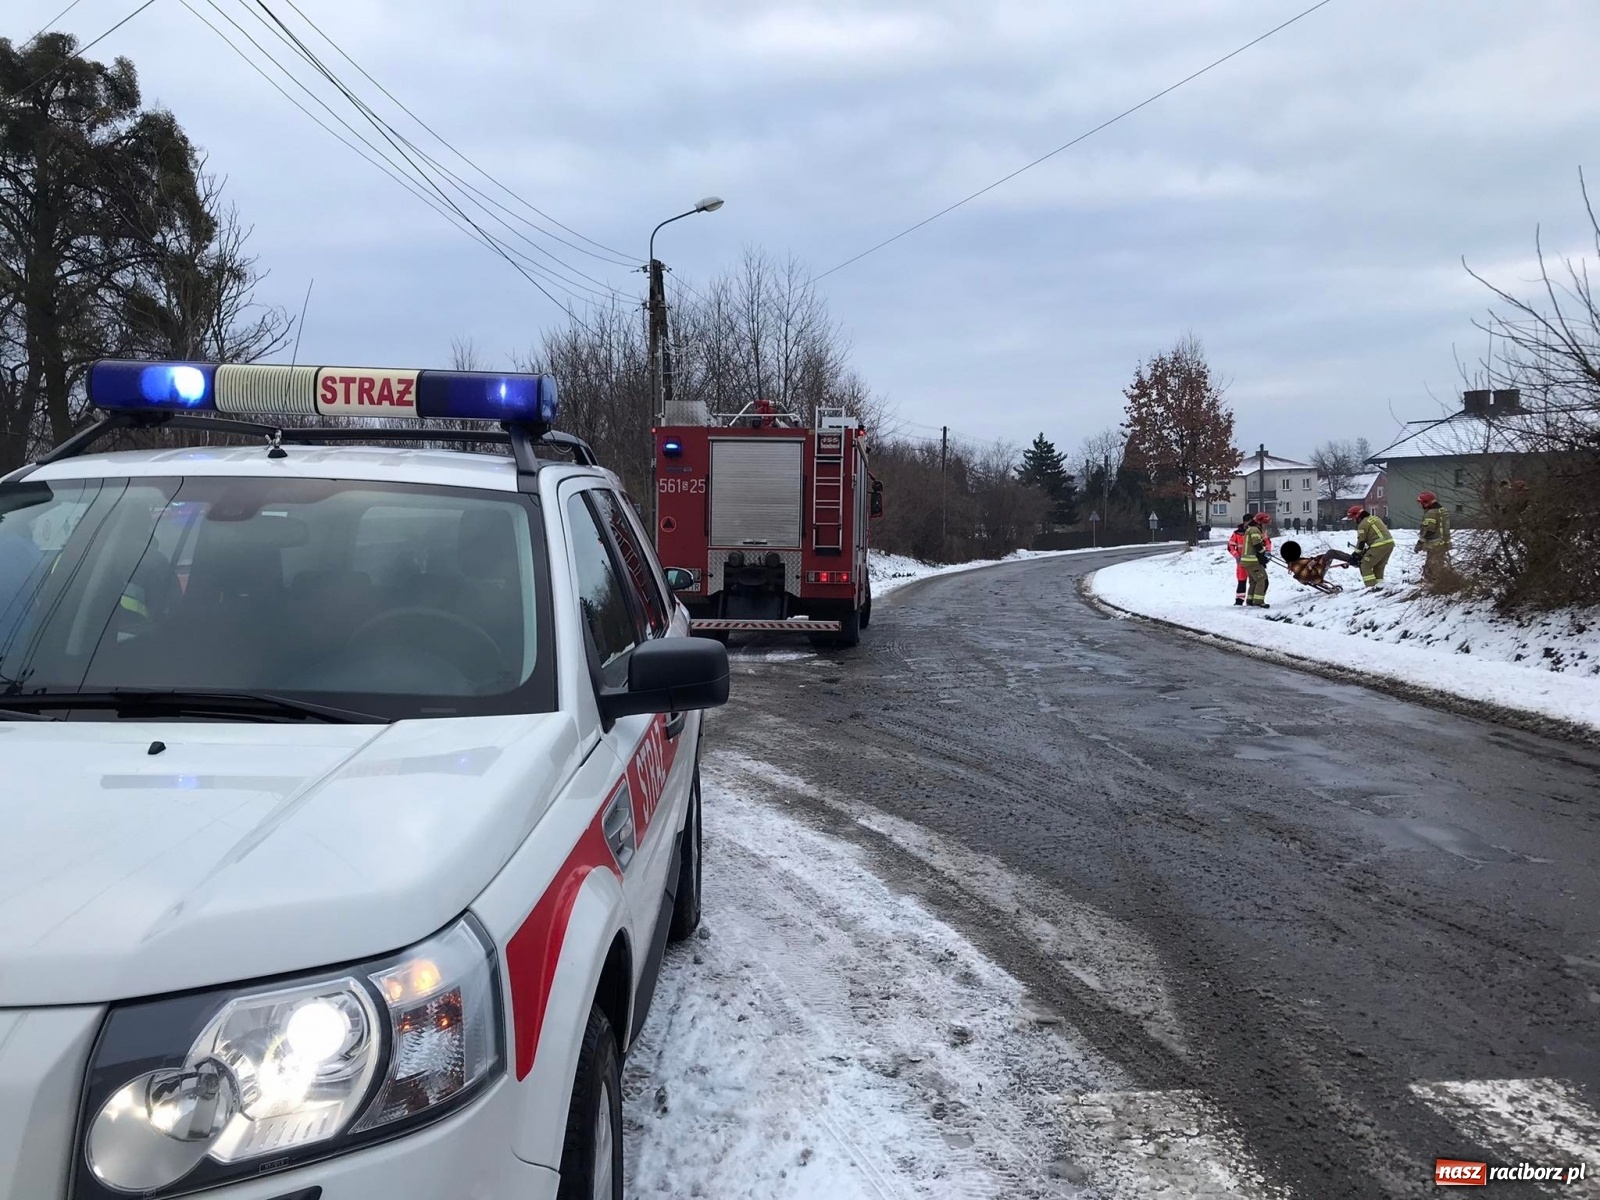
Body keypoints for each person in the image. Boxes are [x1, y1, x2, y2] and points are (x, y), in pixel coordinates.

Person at [1347, 505, 1395, 587]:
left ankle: (1371, 588)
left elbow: (1361, 541)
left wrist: (1356, 554)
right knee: (1378, 567)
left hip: (1379, 546)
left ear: (1357, 515)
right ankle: (1380, 586)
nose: (1353, 521)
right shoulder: (1374, 518)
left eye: (1353, 518)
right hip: (1389, 544)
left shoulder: (1362, 524)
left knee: (1365, 565)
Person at [1415, 491, 1452, 583]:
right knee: (1438, 564)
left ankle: (1437, 585)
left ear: (1426, 503)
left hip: (1434, 544)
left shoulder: (1431, 513)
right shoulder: (1442, 511)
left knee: (1434, 568)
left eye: (1422, 503)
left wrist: (1420, 542)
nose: (1421, 505)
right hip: (1444, 542)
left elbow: (1429, 530)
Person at [1241, 512, 1273, 607]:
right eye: (1263, 523)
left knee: (1254, 581)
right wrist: (1263, 555)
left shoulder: (1251, 528)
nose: (1264, 525)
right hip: (1252, 560)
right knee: (1262, 579)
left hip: (1247, 560)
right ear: (1259, 522)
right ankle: (1259, 601)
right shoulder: (1255, 530)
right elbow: (1257, 545)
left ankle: (1250, 600)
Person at [1226, 519, 1249, 605]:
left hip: (1253, 560)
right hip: (1242, 561)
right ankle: (1239, 600)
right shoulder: (1237, 533)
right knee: (1242, 580)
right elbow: (1230, 546)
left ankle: (1252, 600)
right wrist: (1237, 556)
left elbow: (1266, 542)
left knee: (1255, 581)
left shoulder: (1256, 530)